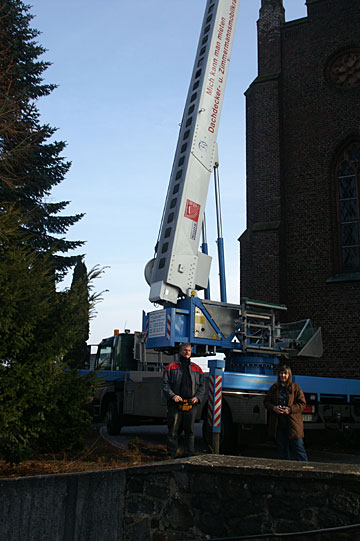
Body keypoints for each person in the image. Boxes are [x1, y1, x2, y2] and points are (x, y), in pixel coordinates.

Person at [162, 343, 205, 458]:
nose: (187, 352)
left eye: (189, 350)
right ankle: (171, 454)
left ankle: (189, 454)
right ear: (180, 352)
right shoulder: (171, 367)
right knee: (173, 431)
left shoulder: (197, 369)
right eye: (185, 350)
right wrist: (172, 396)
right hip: (175, 404)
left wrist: (198, 398)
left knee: (189, 431)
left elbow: (202, 386)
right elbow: (165, 384)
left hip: (191, 404)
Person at [264, 364, 308, 461]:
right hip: (279, 423)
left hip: (292, 424)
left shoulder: (295, 388)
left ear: (289, 375)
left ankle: (305, 470)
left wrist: (290, 410)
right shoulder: (274, 388)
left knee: (298, 449)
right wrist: (274, 408)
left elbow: (302, 403)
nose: (283, 375)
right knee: (282, 450)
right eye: (281, 373)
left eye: (285, 373)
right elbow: (266, 402)